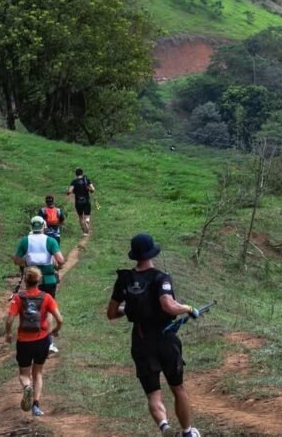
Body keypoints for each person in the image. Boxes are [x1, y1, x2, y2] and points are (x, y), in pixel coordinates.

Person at [107, 233, 200, 437]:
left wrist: (129, 310)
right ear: (152, 252)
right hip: (165, 337)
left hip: (140, 339)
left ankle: (164, 426)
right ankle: (187, 432)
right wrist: (188, 308)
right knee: (177, 388)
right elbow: (168, 305)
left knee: (153, 393)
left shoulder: (125, 279)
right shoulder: (160, 277)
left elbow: (111, 313)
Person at [5, 267, 63, 417]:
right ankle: (36, 405)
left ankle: (26, 387)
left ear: (25, 280)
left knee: (24, 374)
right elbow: (60, 319)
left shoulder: (18, 298)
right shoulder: (47, 297)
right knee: (37, 373)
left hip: (24, 341)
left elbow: (10, 319)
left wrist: (8, 334)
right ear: (39, 280)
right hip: (42, 341)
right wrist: (55, 330)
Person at [13, 216, 65, 353]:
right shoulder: (50, 240)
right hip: (48, 279)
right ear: (44, 226)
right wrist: (58, 267)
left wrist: (27, 264)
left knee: (30, 307)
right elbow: (60, 259)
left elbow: (16, 259)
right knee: (47, 309)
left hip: (31, 279)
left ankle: (30, 336)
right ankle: (47, 342)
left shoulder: (25, 241)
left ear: (31, 226)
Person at [67, 168, 95, 236]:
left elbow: (69, 191)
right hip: (86, 200)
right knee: (87, 215)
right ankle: (87, 220)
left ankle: (85, 232)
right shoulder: (86, 180)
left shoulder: (74, 181)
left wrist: (68, 193)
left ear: (76, 174)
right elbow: (93, 189)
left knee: (80, 217)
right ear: (82, 173)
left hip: (78, 201)